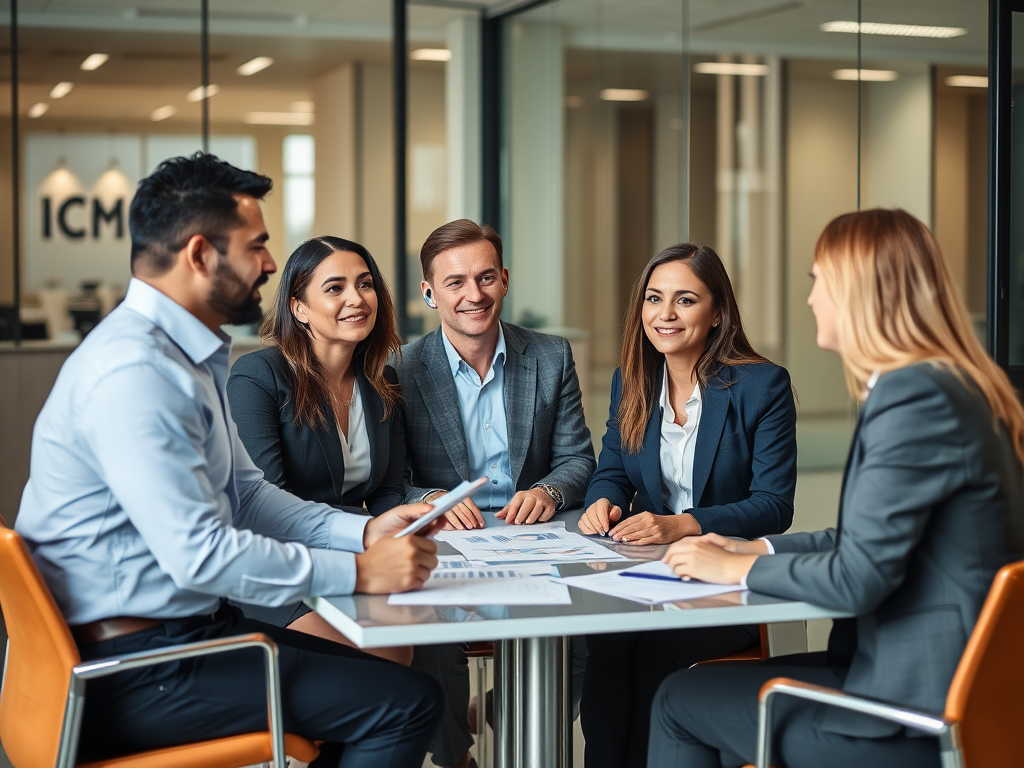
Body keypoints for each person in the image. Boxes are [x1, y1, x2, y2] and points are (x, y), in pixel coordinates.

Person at [15, 153, 444, 768]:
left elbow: (247, 494)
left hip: (181, 639)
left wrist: (366, 531)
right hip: (138, 668)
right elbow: (202, 554)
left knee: (387, 679)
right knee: (406, 704)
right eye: (257, 246)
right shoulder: (138, 371)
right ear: (199, 255)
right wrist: (361, 574)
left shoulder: (185, 355)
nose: (271, 264)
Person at [649, 209, 1024, 768]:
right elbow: (863, 539)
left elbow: (858, 579)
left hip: (912, 711)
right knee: (715, 710)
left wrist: (737, 570)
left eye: (819, 281)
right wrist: (757, 548)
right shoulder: (950, 386)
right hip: (932, 683)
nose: (811, 300)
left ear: (860, 293)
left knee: (679, 700)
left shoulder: (913, 400)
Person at [577, 243, 797, 768]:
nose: (665, 315)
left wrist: (684, 525)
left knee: (653, 654)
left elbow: (774, 505)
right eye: (654, 299)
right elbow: (611, 469)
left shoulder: (761, 385)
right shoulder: (631, 380)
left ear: (717, 311)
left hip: (726, 581)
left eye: (685, 300)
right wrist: (603, 502)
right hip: (646, 576)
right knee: (604, 649)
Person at [395, 218, 597, 768]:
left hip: (537, 540)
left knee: (586, 636)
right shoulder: (400, 367)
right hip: (448, 542)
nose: (473, 295)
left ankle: (508, 722)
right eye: (455, 282)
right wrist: (434, 497)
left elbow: (579, 458)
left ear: (504, 280)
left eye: (485, 278)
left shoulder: (550, 356)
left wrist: (551, 491)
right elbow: (390, 481)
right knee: (430, 639)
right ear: (430, 292)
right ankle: (455, 756)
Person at [227, 236, 411, 665]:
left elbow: (387, 490)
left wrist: (388, 532)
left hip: (354, 559)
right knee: (386, 657)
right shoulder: (258, 376)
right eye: (335, 288)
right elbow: (268, 503)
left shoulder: (381, 380)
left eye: (365, 284)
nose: (357, 299)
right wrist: (366, 536)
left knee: (408, 641)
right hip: (280, 572)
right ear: (299, 308)